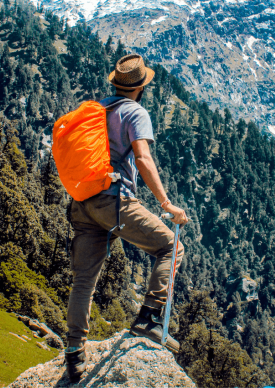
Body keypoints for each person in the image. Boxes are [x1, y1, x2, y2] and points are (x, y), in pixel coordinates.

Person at [64, 54, 188, 382]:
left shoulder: (99, 108)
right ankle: (148, 320)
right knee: (170, 247)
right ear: (140, 87)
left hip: (83, 202)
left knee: (83, 280)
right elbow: (143, 158)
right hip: (113, 201)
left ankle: (74, 354)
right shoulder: (135, 111)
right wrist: (167, 203)